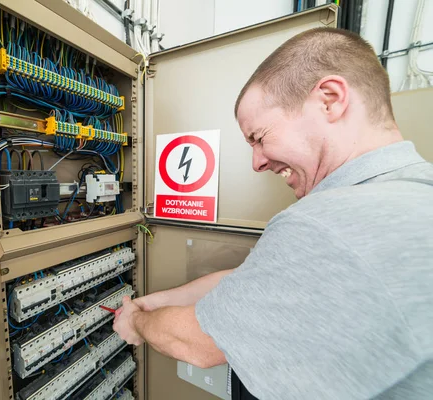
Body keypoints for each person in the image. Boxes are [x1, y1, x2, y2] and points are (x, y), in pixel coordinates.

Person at [113, 27, 433, 399]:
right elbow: (258, 281)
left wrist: (137, 321)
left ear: (330, 99)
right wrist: (162, 301)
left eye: (260, 137)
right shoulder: (412, 191)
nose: (257, 162)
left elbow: (198, 343)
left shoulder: (327, 221)